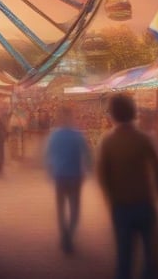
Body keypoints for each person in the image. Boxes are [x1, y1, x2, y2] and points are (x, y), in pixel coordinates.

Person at [97, 93, 158, 279]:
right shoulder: (144, 138)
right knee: (150, 254)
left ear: (112, 115)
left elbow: (102, 175)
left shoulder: (107, 141)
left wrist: (109, 198)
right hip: (146, 203)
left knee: (124, 256)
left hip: (120, 206)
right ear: (133, 112)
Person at [44, 105, 92, 254]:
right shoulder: (78, 136)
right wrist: (88, 171)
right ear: (72, 118)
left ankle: (64, 235)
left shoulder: (54, 136)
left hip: (60, 176)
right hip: (75, 176)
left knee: (61, 208)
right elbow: (88, 156)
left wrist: (50, 171)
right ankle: (69, 236)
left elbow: (48, 156)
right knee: (74, 208)